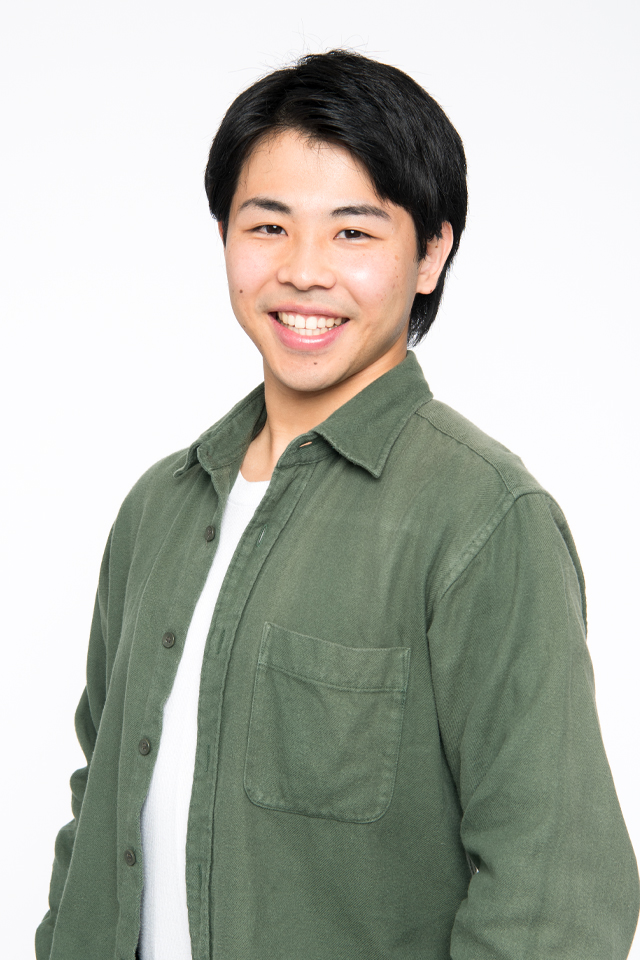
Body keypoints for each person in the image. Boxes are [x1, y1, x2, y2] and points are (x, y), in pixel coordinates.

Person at [36, 50, 639, 960]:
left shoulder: (481, 516)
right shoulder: (159, 508)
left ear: (431, 253)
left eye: (353, 232)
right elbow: (101, 805)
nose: (303, 271)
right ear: (225, 236)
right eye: (268, 226)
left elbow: (556, 894)